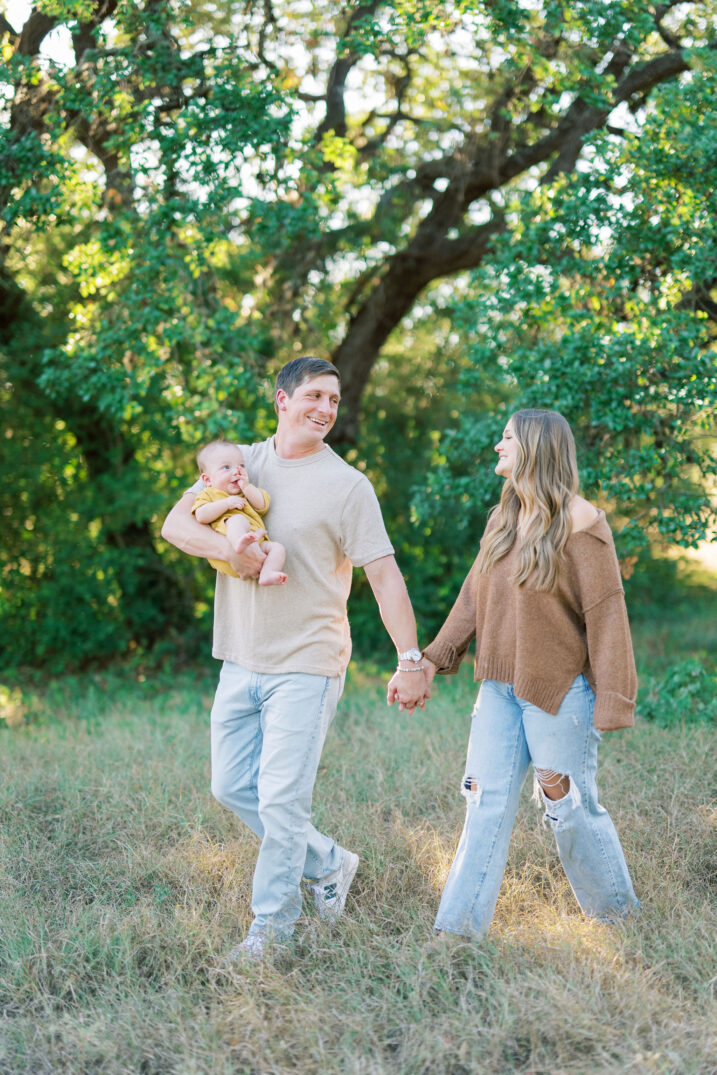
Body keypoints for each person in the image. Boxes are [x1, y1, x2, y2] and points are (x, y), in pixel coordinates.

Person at [161, 356, 428, 961]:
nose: (325, 410)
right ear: (281, 399)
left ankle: (270, 933)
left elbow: (384, 578)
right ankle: (329, 862)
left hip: (309, 661)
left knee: (282, 799)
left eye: (334, 400)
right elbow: (177, 526)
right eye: (313, 396)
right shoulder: (239, 463)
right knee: (230, 786)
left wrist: (409, 658)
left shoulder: (347, 486)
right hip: (239, 655)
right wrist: (239, 558)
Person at [417, 408, 640, 938]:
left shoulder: (583, 524)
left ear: (536, 449)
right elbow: (472, 598)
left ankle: (619, 916)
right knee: (483, 802)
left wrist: (614, 699)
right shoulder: (502, 520)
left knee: (566, 805)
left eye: (507, 438)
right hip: (497, 688)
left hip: (558, 693)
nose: (498, 446)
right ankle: (456, 932)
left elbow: (607, 617)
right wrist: (433, 657)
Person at [192, 439, 287, 586]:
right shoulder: (209, 494)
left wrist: (247, 486)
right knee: (237, 519)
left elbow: (262, 505)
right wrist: (226, 503)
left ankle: (267, 573)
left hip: (256, 548)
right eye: (226, 467)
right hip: (230, 552)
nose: (237, 471)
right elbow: (201, 515)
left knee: (277, 548)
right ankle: (239, 543)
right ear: (207, 479)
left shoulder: (246, 493)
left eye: (241, 466)